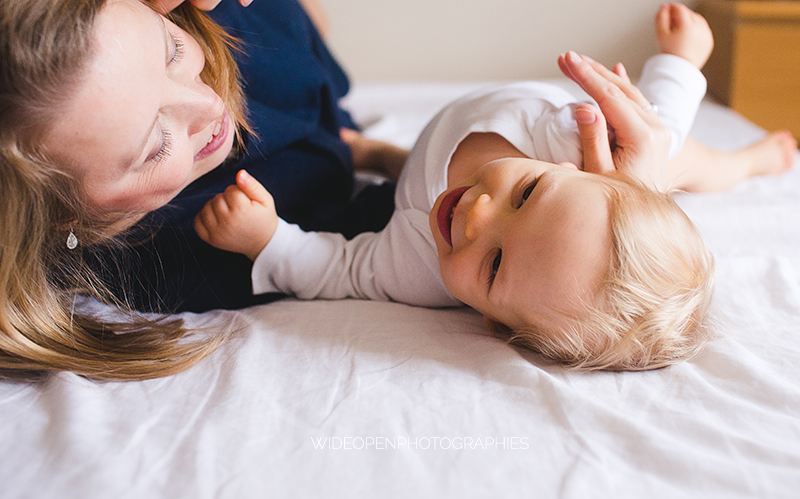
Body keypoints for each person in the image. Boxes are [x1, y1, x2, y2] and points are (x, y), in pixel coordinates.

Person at [195, 4, 798, 370]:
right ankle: (743, 163)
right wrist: (680, 61)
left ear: (493, 323)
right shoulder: (585, 144)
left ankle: (749, 162)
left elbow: (339, 268)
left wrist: (267, 240)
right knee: (680, 158)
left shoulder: (420, 271)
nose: (478, 215)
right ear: (574, 172)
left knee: (411, 174)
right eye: (527, 194)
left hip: (428, 157)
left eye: (495, 266)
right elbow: (658, 120)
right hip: (598, 145)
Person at [0, 0, 405, 380]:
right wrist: (389, 160)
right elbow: (364, 246)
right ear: (64, 218)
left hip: (275, 61)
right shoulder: (180, 253)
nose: (209, 105)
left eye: (172, 53)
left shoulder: (209, 22)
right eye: (156, 146)